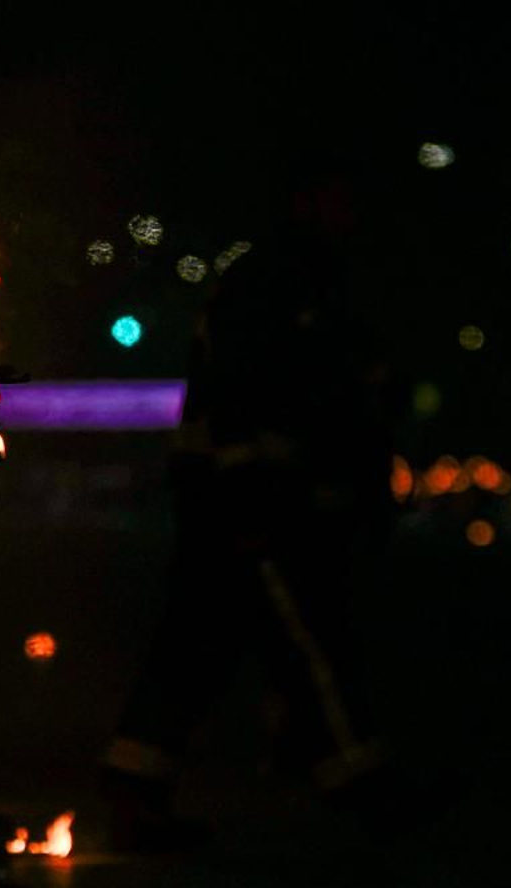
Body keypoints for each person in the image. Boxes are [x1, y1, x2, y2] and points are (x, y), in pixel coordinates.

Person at [103, 166, 406, 850]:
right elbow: (264, 392)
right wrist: (268, 481)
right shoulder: (283, 281)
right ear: (304, 201)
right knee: (304, 632)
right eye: (335, 195)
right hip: (251, 495)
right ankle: (357, 776)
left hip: (235, 490)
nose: (348, 210)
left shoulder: (290, 279)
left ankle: (135, 785)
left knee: (199, 642)